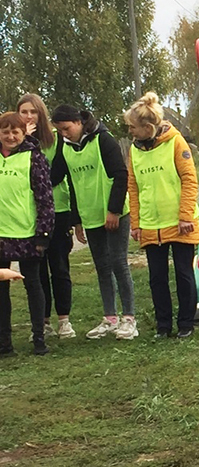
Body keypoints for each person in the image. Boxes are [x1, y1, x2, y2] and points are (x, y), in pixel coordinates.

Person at [51, 104, 137, 340]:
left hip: (114, 214)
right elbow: (64, 180)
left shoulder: (104, 140)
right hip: (90, 216)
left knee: (119, 262)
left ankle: (129, 319)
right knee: (102, 266)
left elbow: (121, 175)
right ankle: (110, 318)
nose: (64, 134)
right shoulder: (65, 147)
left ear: (78, 122)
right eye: (59, 130)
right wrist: (76, 220)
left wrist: (114, 210)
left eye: (66, 128)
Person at [124, 92, 199, 340]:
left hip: (181, 224)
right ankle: (163, 325)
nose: (130, 132)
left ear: (148, 127)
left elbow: (190, 180)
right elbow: (133, 187)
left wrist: (185, 215)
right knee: (157, 278)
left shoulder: (176, 142)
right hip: (150, 224)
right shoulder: (134, 151)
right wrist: (136, 223)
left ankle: (186, 324)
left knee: (183, 274)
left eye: (133, 128)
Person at [17, 94, 77, 339]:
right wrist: (26, 141)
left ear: (41, 114)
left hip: (57, 211)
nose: (28, 116)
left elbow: (57, 176)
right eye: (24, 112)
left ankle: (64, 320)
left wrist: (76, 217)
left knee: (59, 268)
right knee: (36, 271)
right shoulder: (15, 145)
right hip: (28, 216)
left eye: (33, 112)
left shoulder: (57, 142)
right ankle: (43, 322)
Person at [0, 111, 54, 356]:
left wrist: (43, 233)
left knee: (33, 284)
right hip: (1, 233)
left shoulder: (34, 158)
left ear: (23, 134)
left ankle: (39, 338)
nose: (10, 136)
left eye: (15, 132)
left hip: (27, 233)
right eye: (6, 132)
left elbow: (44, 198)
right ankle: (4, 343)